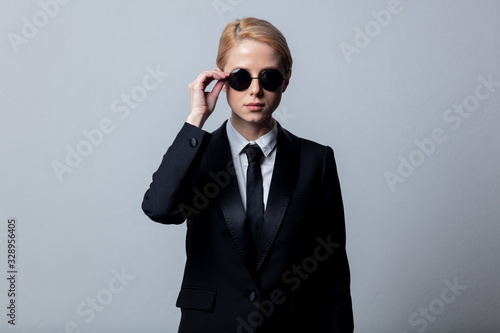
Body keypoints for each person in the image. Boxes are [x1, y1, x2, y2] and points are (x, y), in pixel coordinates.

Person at [142, 17, 354, 333]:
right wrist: (196, 119)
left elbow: (332, 271)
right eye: (241, 77)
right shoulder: (196, 154)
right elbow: (160, 209)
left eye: (268, 77)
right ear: (221, 78)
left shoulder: (316, 160)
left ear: (286, 80)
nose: (255, 90)